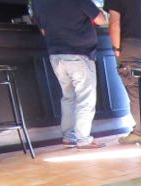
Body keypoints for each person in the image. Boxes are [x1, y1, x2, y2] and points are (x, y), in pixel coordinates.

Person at [32, 0, 107, 150]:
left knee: (68, 97)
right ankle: (83, 139)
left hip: (56, 55)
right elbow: (101, 19)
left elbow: (44, 31)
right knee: (85, 98)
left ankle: (68, 137)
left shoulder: (37, 2)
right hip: (79, 54)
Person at [104, 0, 141, 145]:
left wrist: (116, 49)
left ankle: (140, 133)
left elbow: (114, 23)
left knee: (135, 90)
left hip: (128, 45)